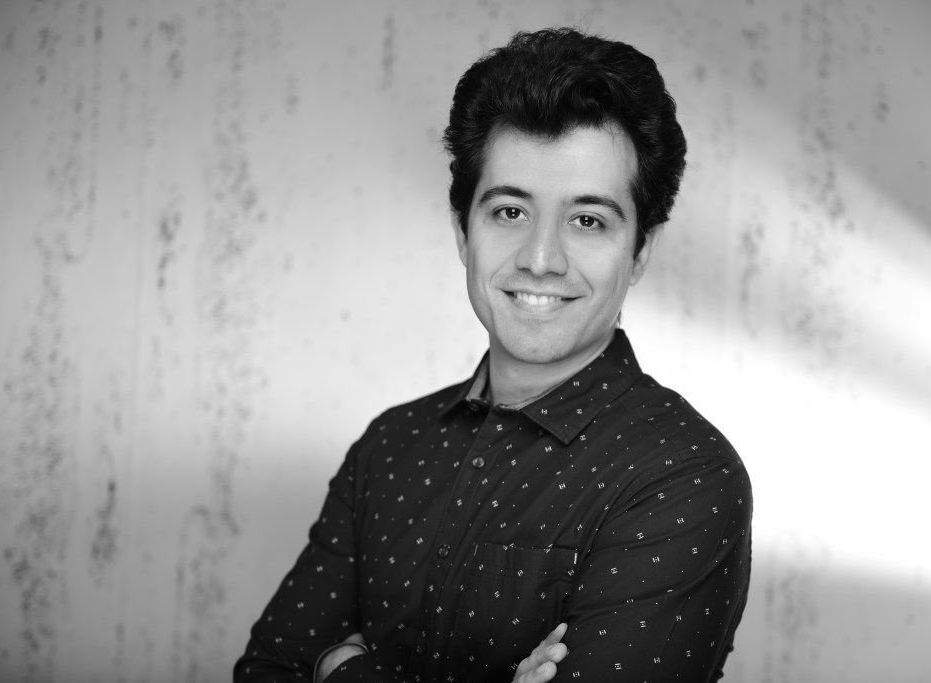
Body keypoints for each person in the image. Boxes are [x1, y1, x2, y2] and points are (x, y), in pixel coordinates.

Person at [235, 27, 752, 683]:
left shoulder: (684, 477)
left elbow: (306, 663)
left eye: (588, 220)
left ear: (640, 250)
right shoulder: (389, 446)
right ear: (463, 231)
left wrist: (340, 668)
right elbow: (267, 669)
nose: (541, 258)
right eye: (510, 212)